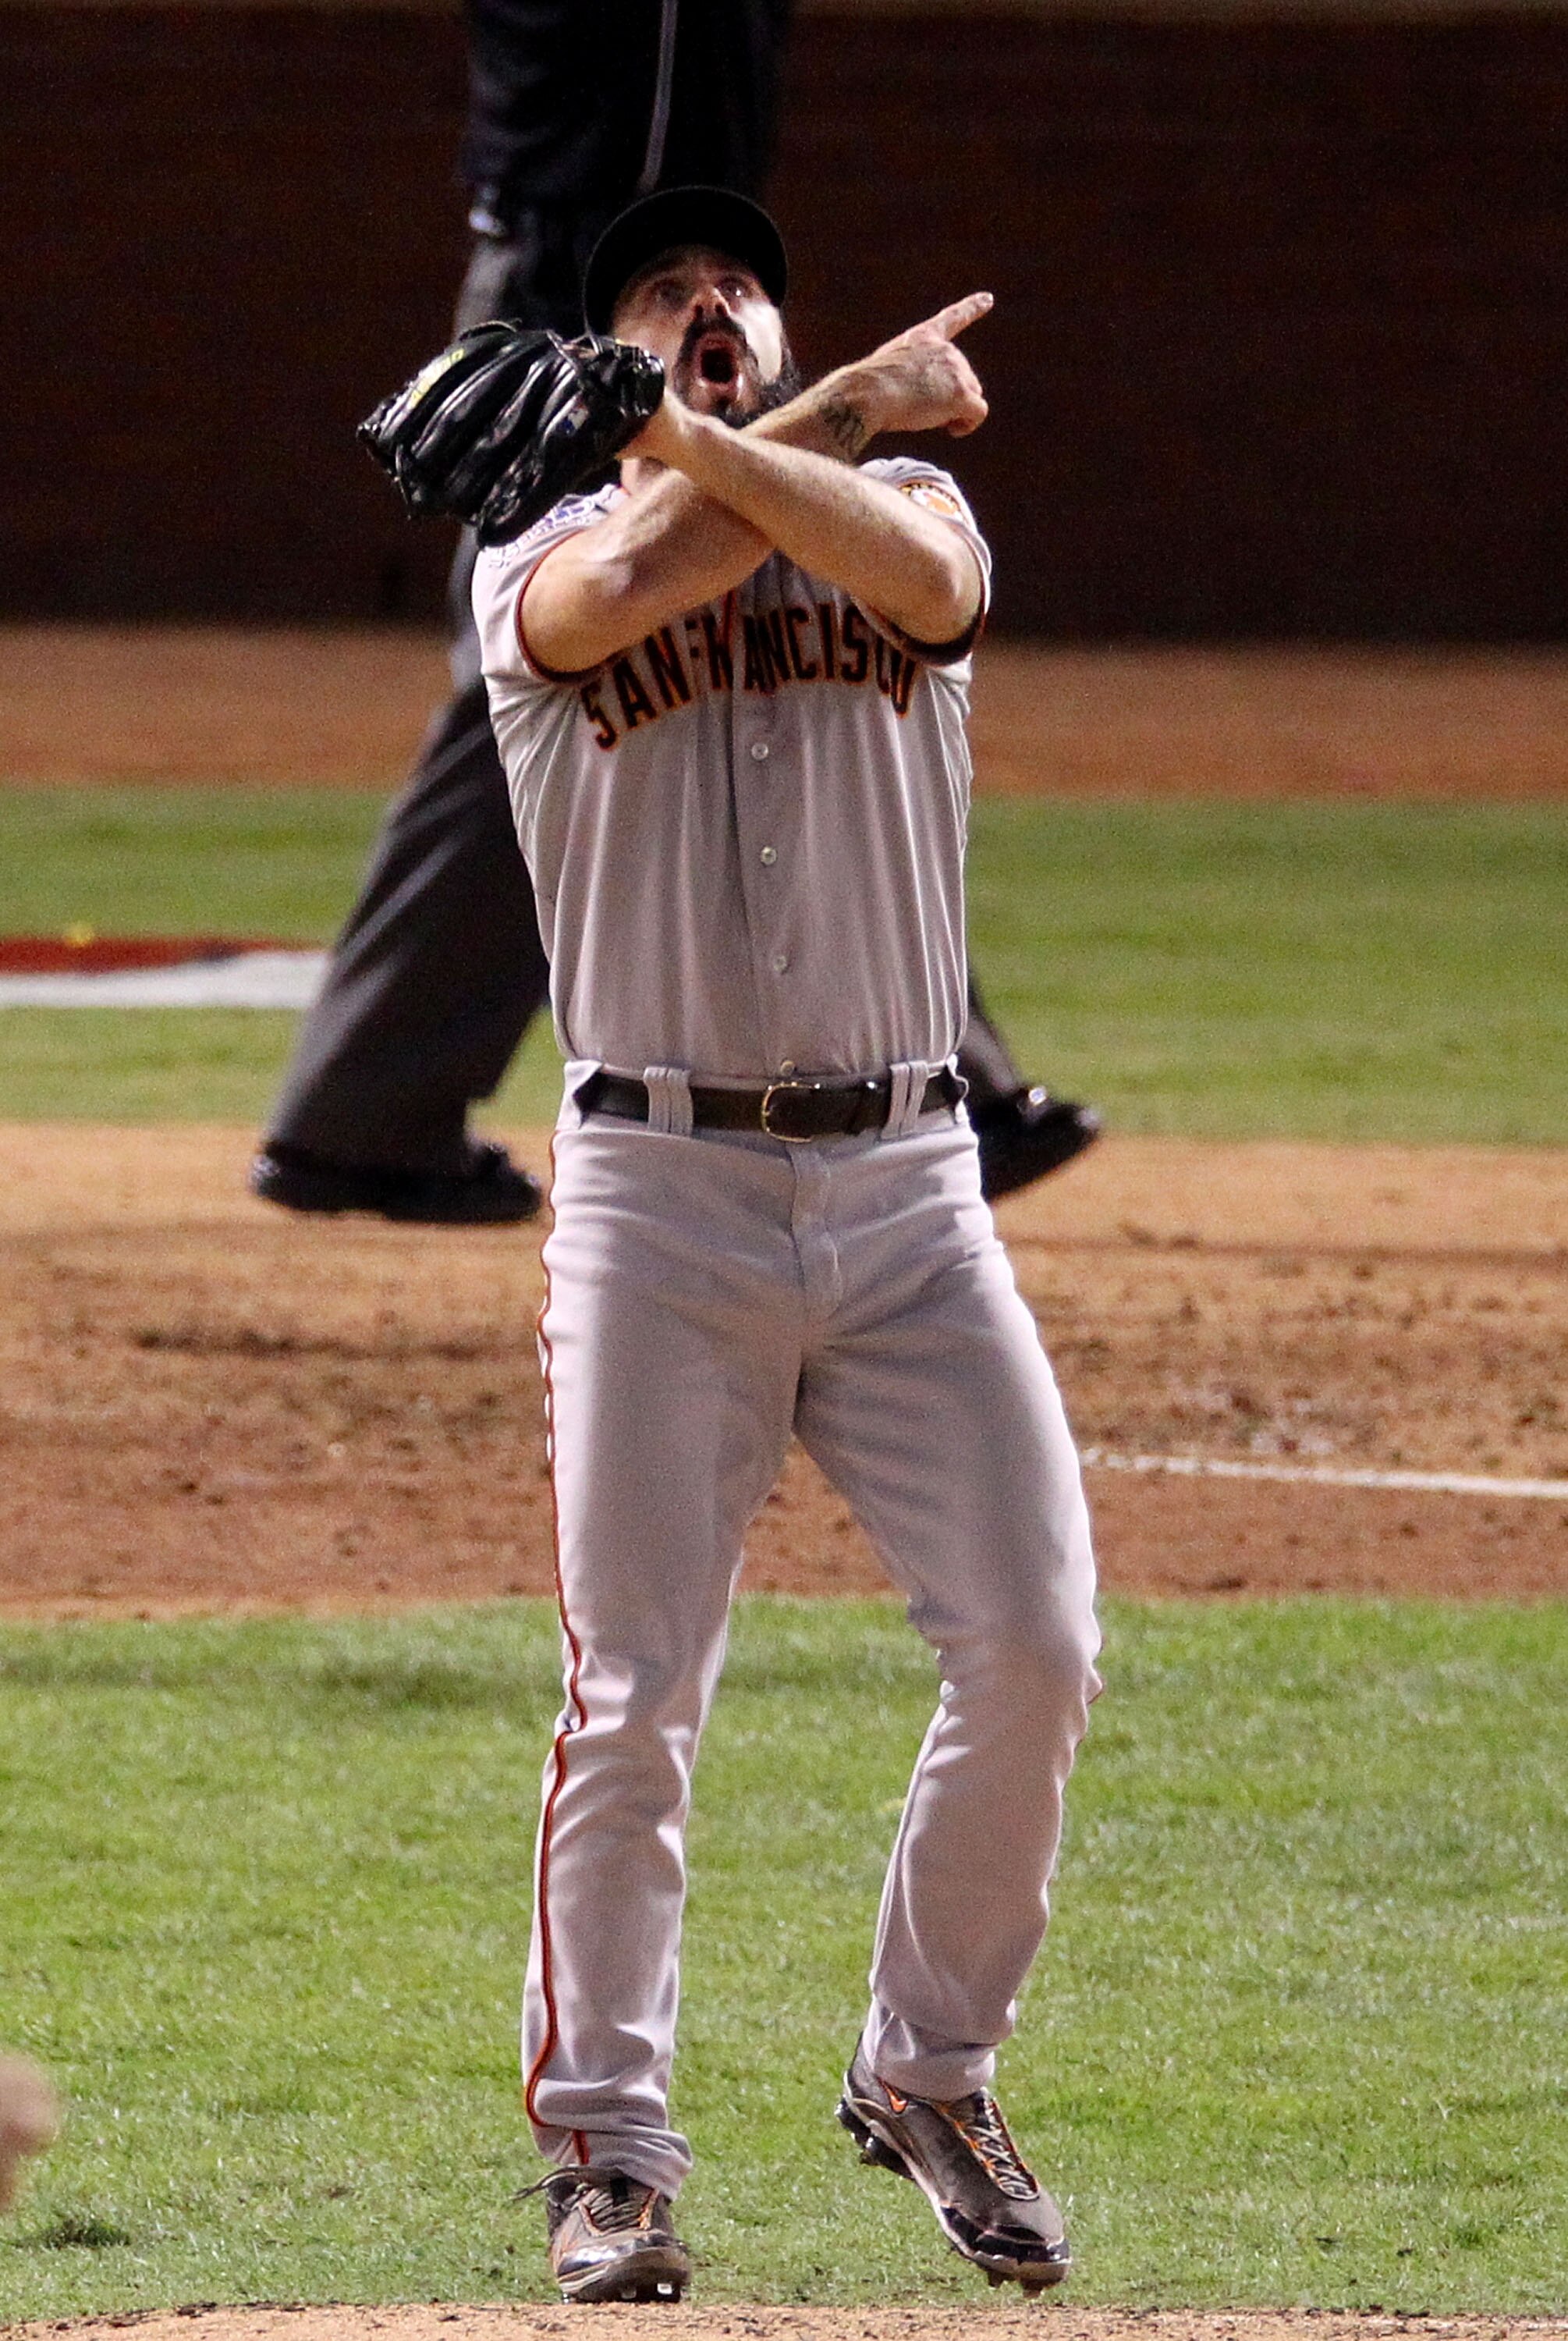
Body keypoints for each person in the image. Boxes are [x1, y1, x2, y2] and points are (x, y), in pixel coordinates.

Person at [473, 185, 1102, 2305]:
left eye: (732, 282)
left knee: (1036, 1643)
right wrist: (797, 406)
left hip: (917, 1189)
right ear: (594, 365)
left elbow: (902, 569)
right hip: (655, 1203)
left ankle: (927, 2069)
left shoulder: (906, 501)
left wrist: (763, 423)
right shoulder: (531, 559)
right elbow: (638, 578)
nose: (708, 303)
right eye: (661, 295)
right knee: (635, 1697)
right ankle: (612, 2162)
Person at [248, 0, 1098, 1228]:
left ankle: (943, 1067)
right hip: (578, 282)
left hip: (660, 267)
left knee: (788, 626)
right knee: (564, 664)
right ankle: (356, 1113)